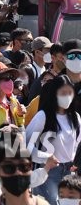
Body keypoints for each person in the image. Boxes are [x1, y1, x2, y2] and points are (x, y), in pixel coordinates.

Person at [25, 75, 79, 205]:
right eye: (63, 93)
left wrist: (75, 162)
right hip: (48, 170)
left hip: (69, 171)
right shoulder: (42, 116)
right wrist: (45, 158)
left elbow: (77, 143)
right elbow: (26, 145)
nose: (67, 96)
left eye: (69, 93)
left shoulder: (75, 117)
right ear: (54, 94)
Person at [0, 62, 27, 128]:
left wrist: (20, 115)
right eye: (6, 78)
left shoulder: (12, 99)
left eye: (11, 77)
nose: (10, 81)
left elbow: (19, 124)